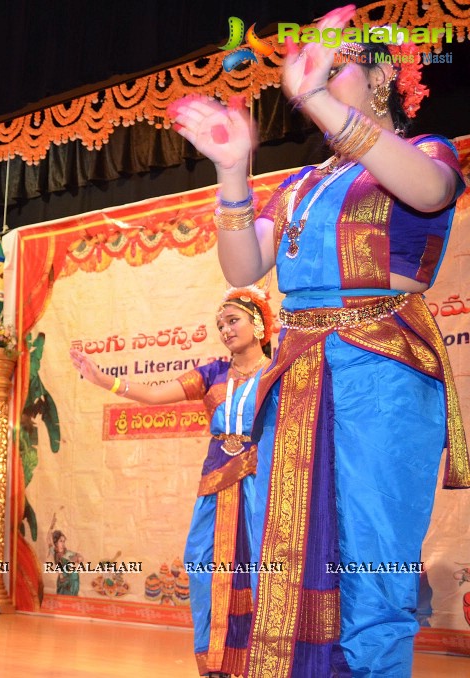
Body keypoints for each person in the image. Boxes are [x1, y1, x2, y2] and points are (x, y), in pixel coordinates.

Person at [169, 6, 468, 675]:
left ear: (386, 76)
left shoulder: (426, 153)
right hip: (299, 371)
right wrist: (233, 168)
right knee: (291, 542)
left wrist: (310, 95)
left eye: (338, 69)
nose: (317, 83)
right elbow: (244, 270)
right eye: (311, 74)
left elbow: (427, 192)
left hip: (381, 364)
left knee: (371, 548)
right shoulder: (303, 183)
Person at [71, 286, 274, 677]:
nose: (226, 330)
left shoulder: (277, 371)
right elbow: (154, 395)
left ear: (259, 323)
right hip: (216, 481)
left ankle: (256, 660)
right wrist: (104, 381)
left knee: (255, 570)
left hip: (260, 481)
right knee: (202, 564)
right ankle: (215, 662)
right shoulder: (213, 372)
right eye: (221, 324)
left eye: (234, 321)